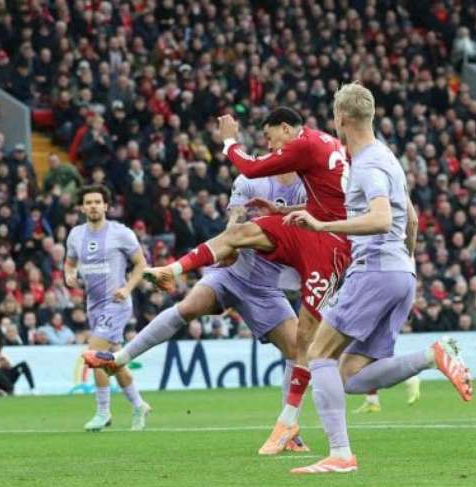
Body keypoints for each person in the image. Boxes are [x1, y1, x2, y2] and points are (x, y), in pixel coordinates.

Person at [285, 83, 473, 475]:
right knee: (350, 375)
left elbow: (382, 218)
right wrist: (406, 263)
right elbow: (413, 219)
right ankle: (432, 355)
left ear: (341, 119)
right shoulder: (388, 157)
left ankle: (339, 454)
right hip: (399, 273)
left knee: (318, 354)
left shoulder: (368, 165)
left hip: (374, 270)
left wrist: (321, 225)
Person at [142, 106, 352, 453]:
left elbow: (251, 166)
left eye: (271, 137)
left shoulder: (305, 143)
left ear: (286, 128)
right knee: (239, 232)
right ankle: (173, 270)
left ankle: (289, 420)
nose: (271, 146)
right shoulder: (324, 143)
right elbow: (328, 200)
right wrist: (282, 211)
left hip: (330, 244)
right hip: (307, 224)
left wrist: (229, 142)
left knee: (305, 335)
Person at [84, 171, 311, 453]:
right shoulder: (252, 178)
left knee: (297, 350)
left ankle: (288, 429)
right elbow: (236, 219)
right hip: (230, 273)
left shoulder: (311, 182)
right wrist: (231, 239)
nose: (274, 147)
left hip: (266, 288)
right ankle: (119, 358)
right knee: (188, 307)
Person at [65, 185, 151, 431]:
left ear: (106, 206)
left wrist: (127, 289)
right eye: (88, 202)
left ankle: (103, 413)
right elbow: (69, 263)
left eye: (97, 202)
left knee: (94, 354)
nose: (92, 206)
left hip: (117, 304)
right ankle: (138, 405)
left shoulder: (120, 233)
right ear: (83, 207)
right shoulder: (75, 235)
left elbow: (140, 264)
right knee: (114, 361)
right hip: (93, 305)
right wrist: (69, 275)